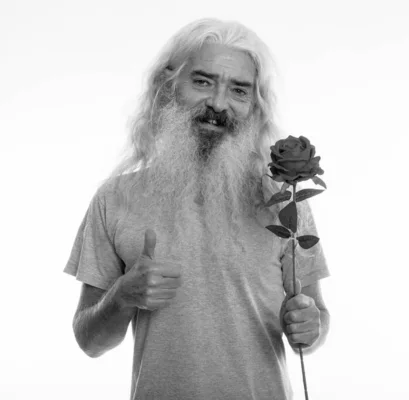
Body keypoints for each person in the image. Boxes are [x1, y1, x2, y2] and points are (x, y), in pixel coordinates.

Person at [63, 18, 331, 400]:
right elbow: (89, 341)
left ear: (254, 105)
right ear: (167, 87)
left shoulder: (285, 201)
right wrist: (121, 295)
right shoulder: (115, 198)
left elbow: (316, 317)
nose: (219, 104)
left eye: (238, 90)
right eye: (203, 82)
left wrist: (311, 326)